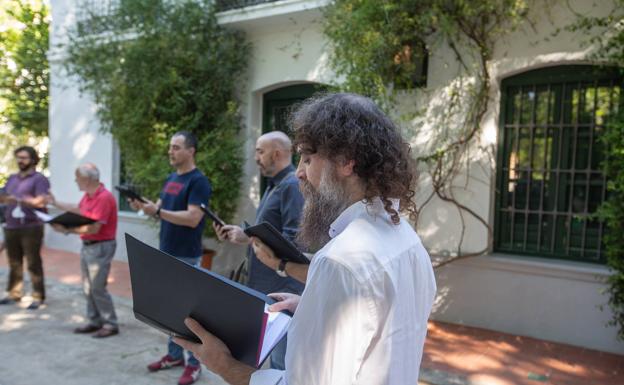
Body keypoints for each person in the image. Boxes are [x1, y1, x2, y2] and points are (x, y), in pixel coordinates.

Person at [173, 93, 437, 385]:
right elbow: (382, 328)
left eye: (308, 158)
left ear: (346, 161)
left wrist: (226, 366)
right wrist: (315, 305)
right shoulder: (407, 240)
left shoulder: (340, 261)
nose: (299, 172)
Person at [213, 130, 304, 370]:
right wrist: (245, 235)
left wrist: (256, 240)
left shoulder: (291, 185)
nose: (256, 157)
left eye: (260, 151)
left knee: (281, 363)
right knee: (271, 359)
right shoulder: (274, 185)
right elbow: (271, 233)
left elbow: (295, 240)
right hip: (266, 287)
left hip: (282, 291)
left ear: (277, 153)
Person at [129, 131, 211, 385]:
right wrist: (145, 208)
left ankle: (195, 364)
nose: (170, 151)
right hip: (166, 251)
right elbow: (160, 209)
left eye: (176, 147)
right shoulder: (171, 178)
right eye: (170, 147)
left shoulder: (198, 181)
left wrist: (158, 211)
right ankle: (174, 356)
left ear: (191, 150)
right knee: (168, 310)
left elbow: (193, 217)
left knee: (188, 314)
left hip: (186, 255)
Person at [47, 163, 120, 338]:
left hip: (100, 246)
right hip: (89, 246)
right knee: (88, 287)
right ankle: (95, 321)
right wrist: (56, 203)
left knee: (97, 287)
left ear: (87, 180)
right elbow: (78, 210)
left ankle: (110, 324)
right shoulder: (89, 196)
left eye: (77, 178)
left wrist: (66, 230)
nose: (75, 181)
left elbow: (94, 228)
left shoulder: (104, 197)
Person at [0, 146, 50, 310]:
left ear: (33, 159)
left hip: (31, 225)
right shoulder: (12, 178)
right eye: (18, 157)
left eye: (24, 157)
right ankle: (14, 293)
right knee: (14, 262)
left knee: (33, 262)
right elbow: (5, 198)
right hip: (11, 225)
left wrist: (18, 199)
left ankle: (38, 296)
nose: (20, 160)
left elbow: (42, 201)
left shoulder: (39, 179)